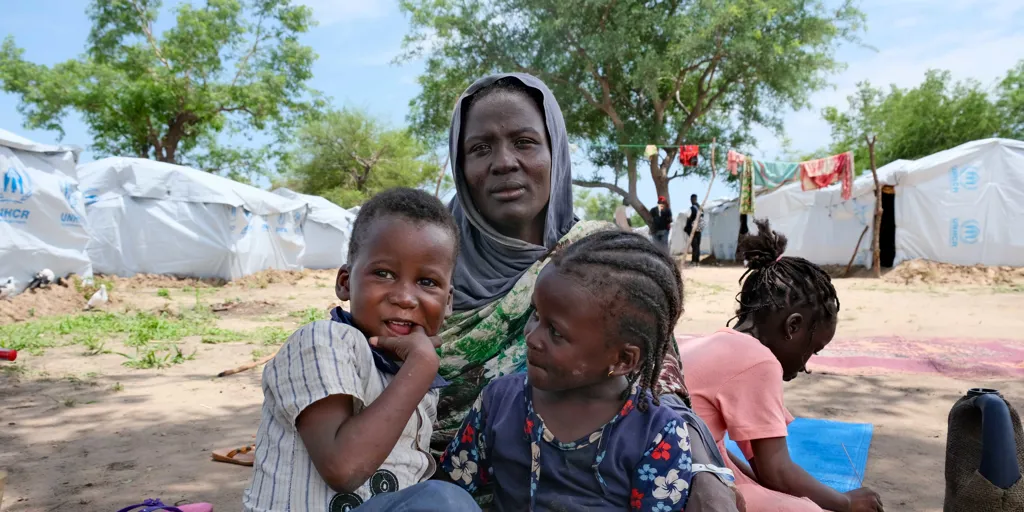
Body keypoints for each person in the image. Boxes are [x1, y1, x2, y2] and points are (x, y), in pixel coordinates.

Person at [435, 72, 741, 509]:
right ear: (460, 163)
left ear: (554, 150)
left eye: (524, 141)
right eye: (479, 148)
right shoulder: (424, 262)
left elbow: (659, 381)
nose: (503, 162)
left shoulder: (602, 260)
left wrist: (703, 469)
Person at [441, 230, 735, 511]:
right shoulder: (500, 401)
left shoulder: (656, 434)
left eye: (555, 332)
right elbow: (449, 489)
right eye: (536, 315)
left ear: (623, 360)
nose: (531, 337)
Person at [242, 188, 480, 512]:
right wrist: (421, 367)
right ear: (344, 282)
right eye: (384, 274)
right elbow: (343, 467)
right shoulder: (322, 341)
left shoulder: (411, 373)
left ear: (448, 301)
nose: (405, 298)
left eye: (427, 282)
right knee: (444, 503)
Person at [678, 219, 884, 512]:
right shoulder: (755, 359)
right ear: (793, 327)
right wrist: (846, 502)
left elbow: (736, 458)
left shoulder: (715, 344)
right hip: (684, 486)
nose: (806, 366)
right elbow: (777, 471)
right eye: (812, 349)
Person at [684, 194, 704, 265]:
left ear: (692, 199)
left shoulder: (692, 208)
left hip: (693, 229)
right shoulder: (700, 208)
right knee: (697, 245)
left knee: (694, 245)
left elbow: (688, 218)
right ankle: (697, 261)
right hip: (699, 229)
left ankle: (694, 261)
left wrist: (686, 228)